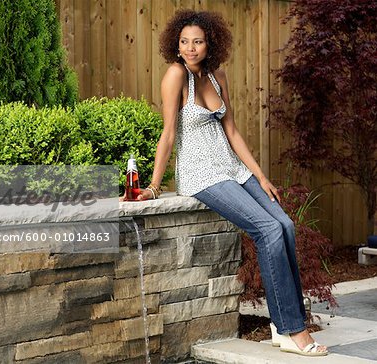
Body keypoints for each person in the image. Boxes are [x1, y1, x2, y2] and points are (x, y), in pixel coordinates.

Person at [121, 9, 328, 356]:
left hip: (232, 167)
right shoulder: (175, 75)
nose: (190, 48)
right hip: (202, 172)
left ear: (210, 43)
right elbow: (169, 133)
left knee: (286, 225)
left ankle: (281, 328)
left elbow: (230, 130)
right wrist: (155, 186)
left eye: (197, 42)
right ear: (176, 43)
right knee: (267, 228)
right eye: (184, 41)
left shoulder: (218, 77)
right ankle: (294, 329)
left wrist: (261, 176)